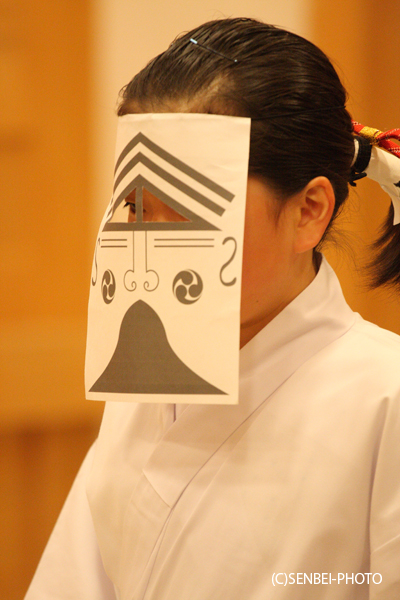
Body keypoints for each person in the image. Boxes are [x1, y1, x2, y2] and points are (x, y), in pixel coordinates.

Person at [25, 18, 400, 600]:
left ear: (309, 212)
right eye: (135, 207)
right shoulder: (145, 379)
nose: (148, 245)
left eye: (188, 208)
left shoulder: (387, 396)